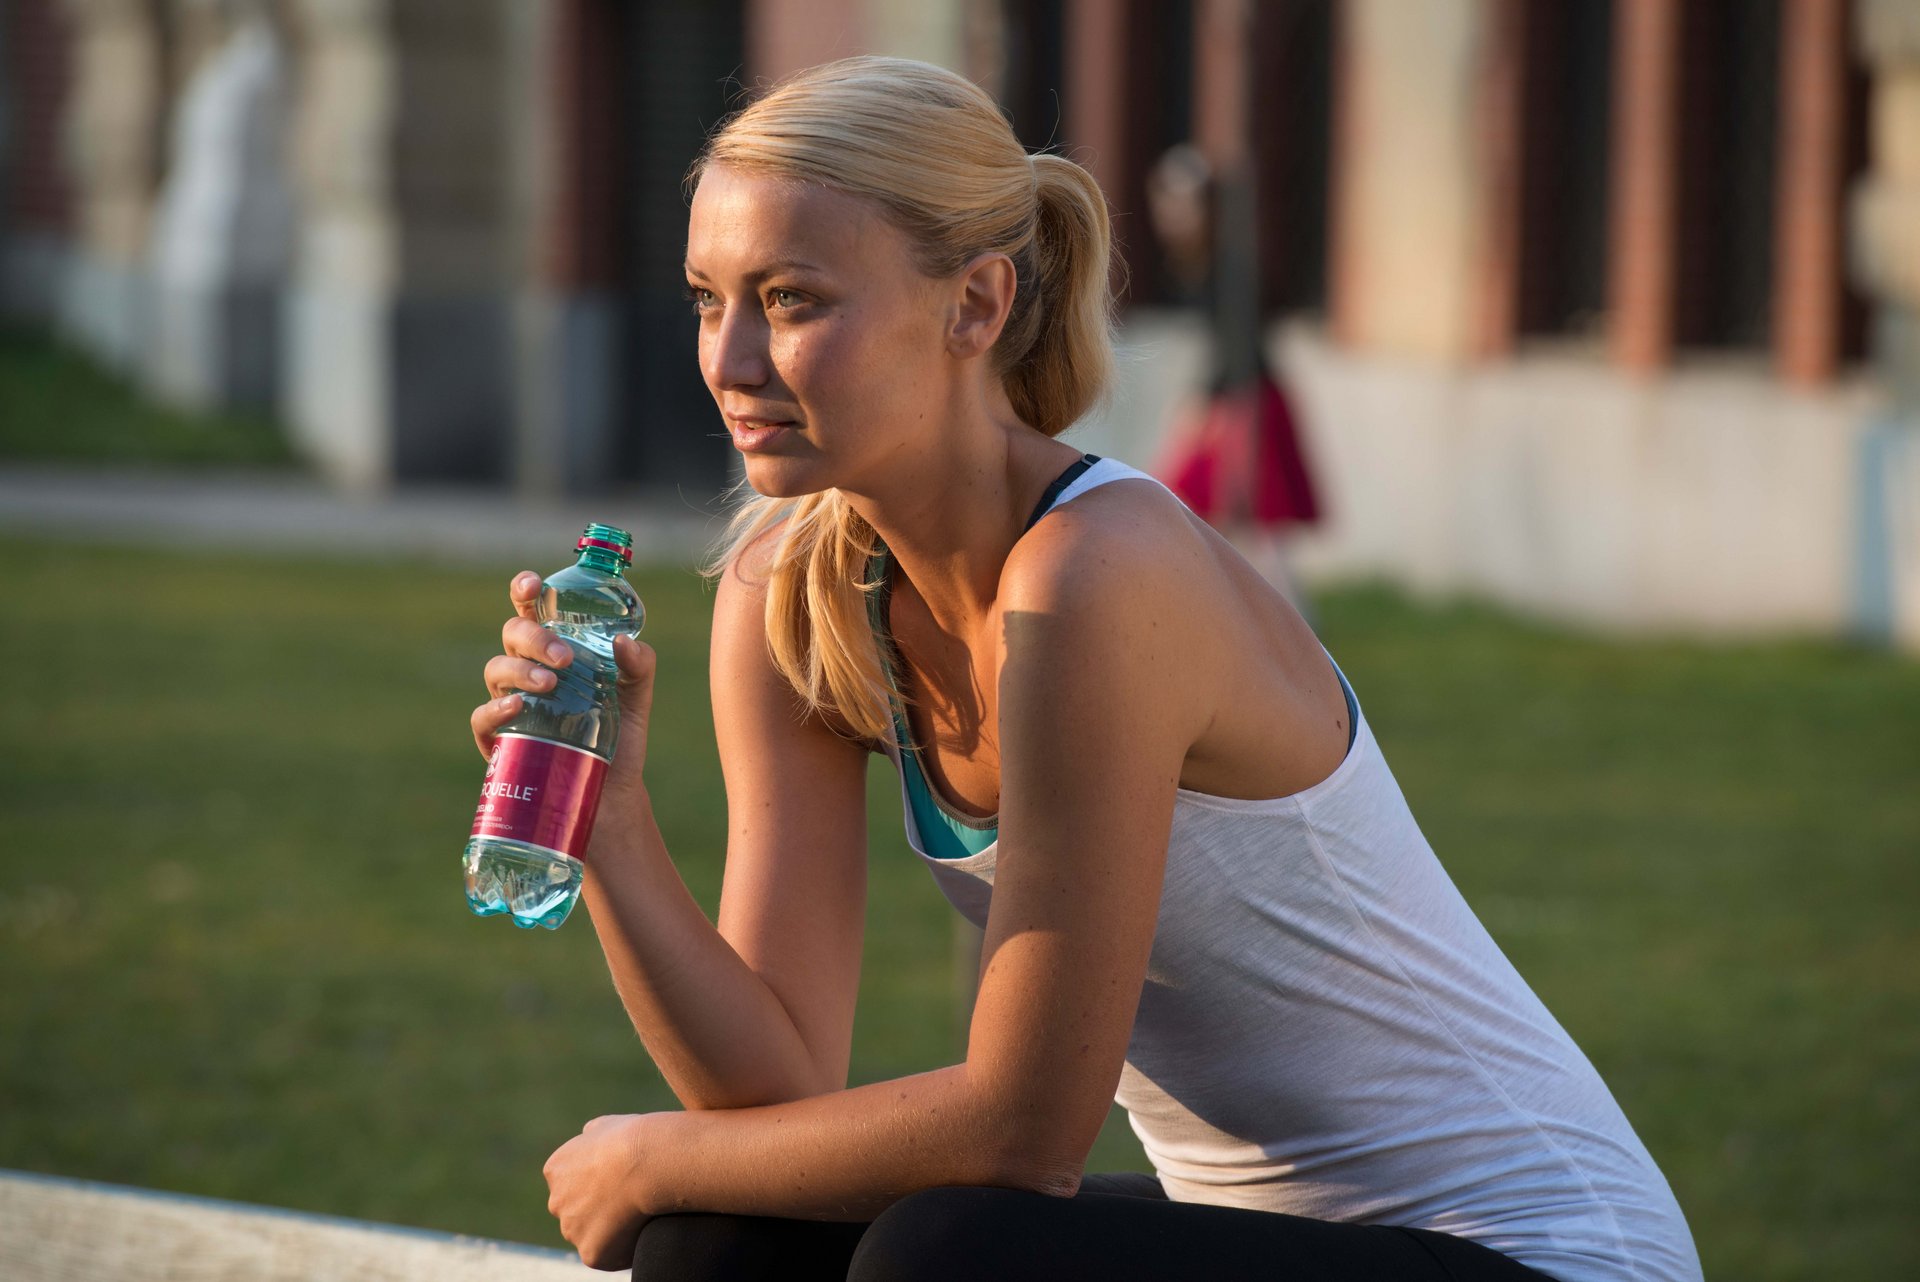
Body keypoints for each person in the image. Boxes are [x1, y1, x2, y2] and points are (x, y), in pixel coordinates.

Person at [470, 56, 1702, 1282]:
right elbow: (776, 1082)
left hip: (1538, 1251)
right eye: (705, 299)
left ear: (975, 306)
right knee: (718, 1242)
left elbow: (1026, 1132)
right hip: (1271, 1242)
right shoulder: (792, 597)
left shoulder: (1094, 577)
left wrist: (653, 1155)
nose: (730, 360)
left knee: (948, 1249)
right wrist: (610, 821)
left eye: (791, 301)